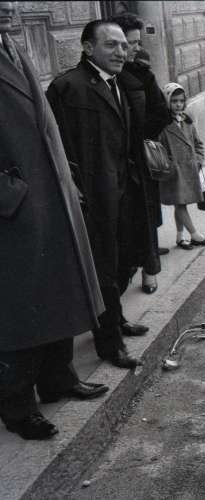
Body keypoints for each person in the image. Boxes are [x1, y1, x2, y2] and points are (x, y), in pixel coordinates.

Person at [0, 1, 108, 440]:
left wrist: (67, 180)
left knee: (56, 294)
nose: (8, 7)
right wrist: (11, 194)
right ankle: (17, 406)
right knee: (19, 311)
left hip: (50, 195)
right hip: (16, 207)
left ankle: (58, 378)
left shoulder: (11, 45)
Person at [46, 20, 147, 369]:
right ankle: (110, 344)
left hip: (122, 192)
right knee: (103, 269)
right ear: (88, 48)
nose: (121, 52)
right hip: (93, 196)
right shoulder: (67, 87)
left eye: (124, 45)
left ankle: (115, 320)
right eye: (111, 45)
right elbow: (55, 145)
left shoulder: (118, 82)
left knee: (122, 262)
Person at [110, 12, 172, 295]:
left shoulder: (143, 74)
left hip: (140, 161)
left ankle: (149, 271)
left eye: (137, 42)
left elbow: (162, 113)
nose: (136, 48)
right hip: (115, 162)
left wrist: (136, 134)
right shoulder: (105, 75)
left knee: (147, 217)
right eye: (131, 42)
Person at [158, 83, 205, 249]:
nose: (178, 105)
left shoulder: (187, 121)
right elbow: (159, 149)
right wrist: (169, 165)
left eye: (181, 101)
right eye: (174, 101)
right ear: (167, 101)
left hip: (190, 169)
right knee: (180, 203)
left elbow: (198, 143)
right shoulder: (163, 124)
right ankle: (195, 235)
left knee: (180, 203)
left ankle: (179, 237)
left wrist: (198, 160)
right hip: (174, 172)